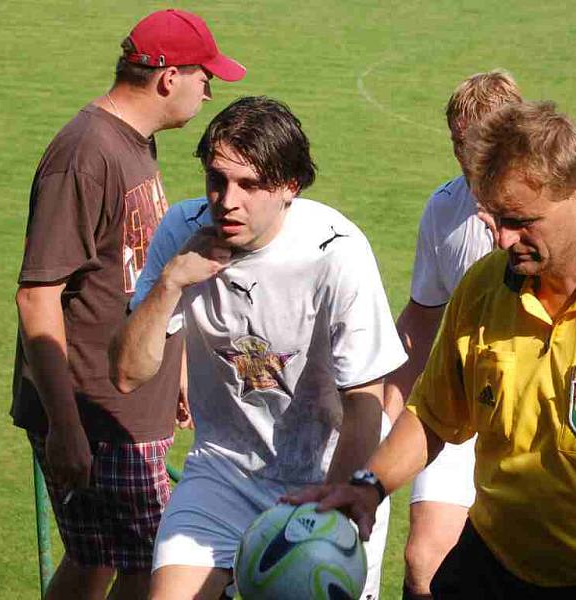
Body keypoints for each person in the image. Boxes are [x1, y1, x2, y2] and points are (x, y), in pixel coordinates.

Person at [287, 101, 576, 599]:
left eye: (519, 221)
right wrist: (370, 485)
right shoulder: (484, 287)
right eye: (492, 218)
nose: (503, 238)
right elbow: (434, 417)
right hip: (491, 563)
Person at [109, 96, 407, 600]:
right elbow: (127, 373)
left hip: (326, 476)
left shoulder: (336, 251)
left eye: (249, 185)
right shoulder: (182, 232)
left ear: (290, 186)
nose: (227, 200)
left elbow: (365, 401)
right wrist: (170, 283)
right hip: (221, 473)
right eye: (217, 179)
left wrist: (337, 496)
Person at [12, 9, 245, 599]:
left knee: (94, 562)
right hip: (99, 415)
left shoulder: (132, 145)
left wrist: (181, 369)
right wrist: (66, 428)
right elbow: (38, 297)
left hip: (125, 410)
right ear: (168, 78)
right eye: (204, 75)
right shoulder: (86, 155)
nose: (209, 87)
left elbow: (132, 271)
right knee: (152, 570)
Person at [383, 69, 521, 600]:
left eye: (474, 142)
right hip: (461, 408)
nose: (463, 156)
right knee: (424, 565)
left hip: (532, 414)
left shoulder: (542, 213)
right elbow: (421, 317)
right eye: (456, 141)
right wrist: (381, 406)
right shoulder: (444, 208)